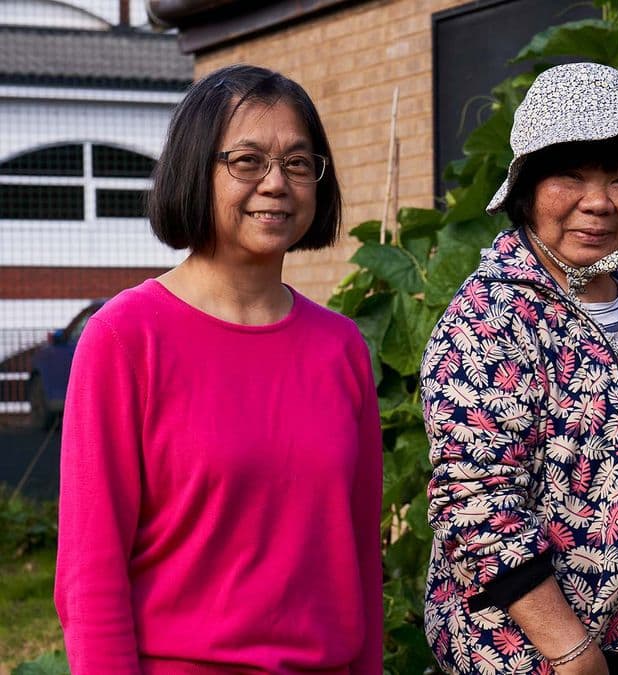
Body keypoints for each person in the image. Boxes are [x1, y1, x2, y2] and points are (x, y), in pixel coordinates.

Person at [54, 64, 382, 673]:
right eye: (247, 160)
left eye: (299, 162)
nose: (277, 183)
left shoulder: (342, 348)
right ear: (194, 170)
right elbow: (89, 574)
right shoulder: (126, 339)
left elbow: (359, 557)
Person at [421, 62, 618, 675]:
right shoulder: (492, 315)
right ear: (528, 191)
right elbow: (476, 503)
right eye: (571, 176)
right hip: (553, 661)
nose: (598, 203)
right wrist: (571, 652)